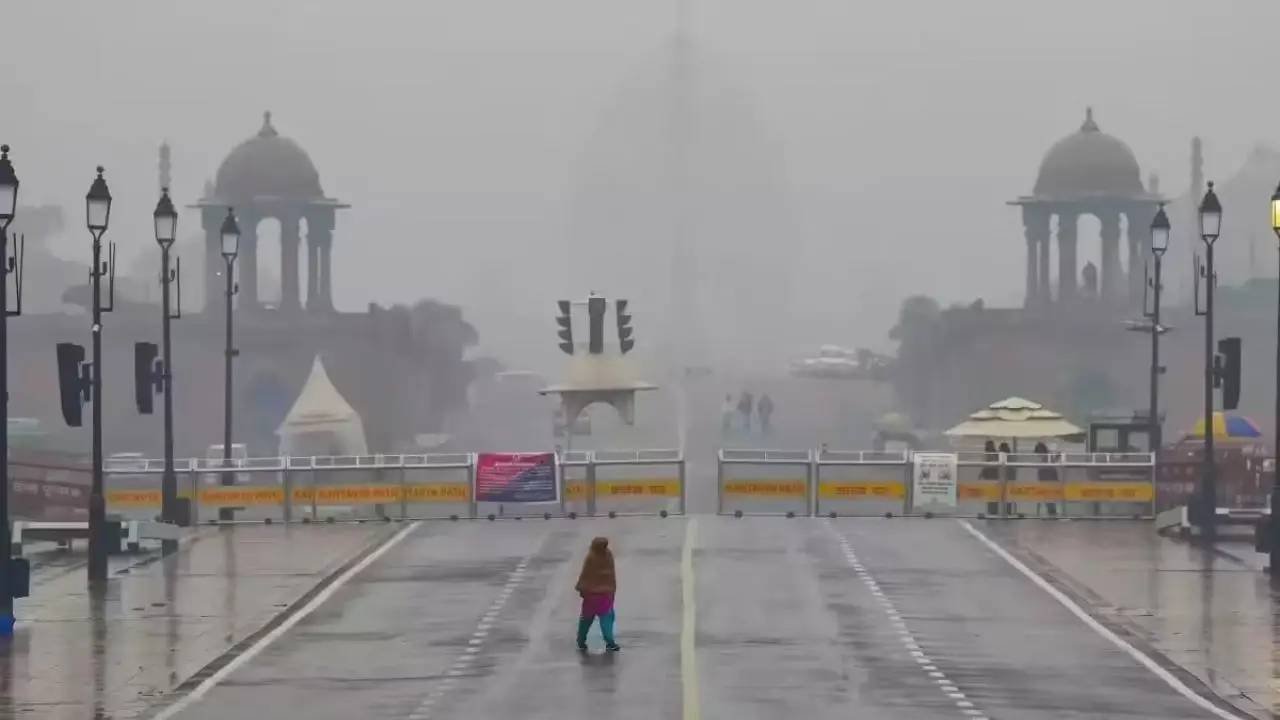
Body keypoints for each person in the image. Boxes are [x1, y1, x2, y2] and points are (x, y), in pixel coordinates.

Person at [575, 536, 620, 652]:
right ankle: (610, 642)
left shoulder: (591, 557)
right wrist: (611, 591)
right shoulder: (608, 556)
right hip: (605, 596)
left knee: (586, 620)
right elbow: (611, 576)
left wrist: (581, 588)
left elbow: (585, 574)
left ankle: (581, 641)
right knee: (606, 621)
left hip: (590, 596)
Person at [1035, 441, 1059, 516]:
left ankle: (1052, 513)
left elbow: (1050, 467)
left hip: (1049, 482)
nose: (1039, 453)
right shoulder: (1046, 457)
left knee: (1049, 500)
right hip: (1046, 481)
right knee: (1048, 500)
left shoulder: (1047, 456)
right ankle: (1052, 513)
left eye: (1039, 451)